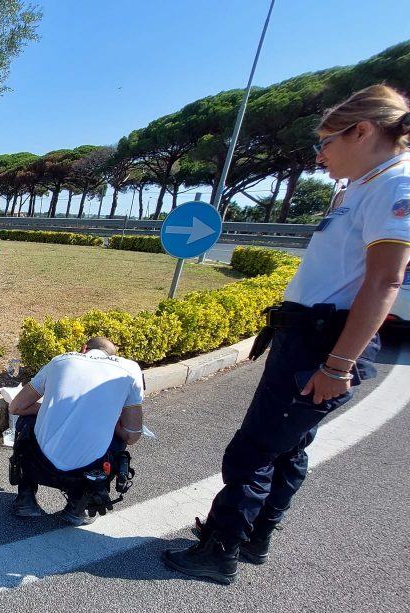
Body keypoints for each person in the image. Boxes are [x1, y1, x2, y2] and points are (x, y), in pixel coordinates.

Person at [164, 84, 410, 585]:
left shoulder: (394, 188)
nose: (319, 155)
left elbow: (385, 280)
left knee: (253, 449)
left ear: (362, 131)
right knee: (286, 447)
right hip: (308, 335)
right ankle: (252, 535)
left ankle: (220, 551)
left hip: (325, 341)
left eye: (327, 142)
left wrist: (338, 365)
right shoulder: (365, 184)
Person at [7, 338, 144, 524]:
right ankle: (78, 505)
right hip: (87, 473)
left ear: (83, 349)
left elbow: (16, 407)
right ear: (114, 357)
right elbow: (132, 435)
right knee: (119, 439)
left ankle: (25, 497)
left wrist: (52, 408)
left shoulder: (60, 360)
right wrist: (106, 417)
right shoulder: (129, 369)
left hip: (38, 465)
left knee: (27, 420)